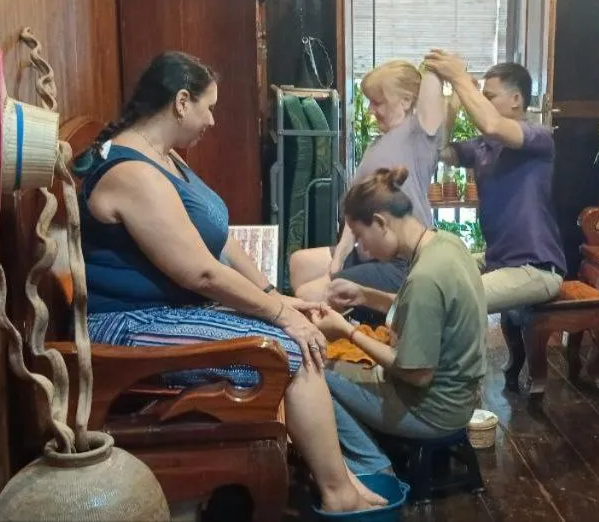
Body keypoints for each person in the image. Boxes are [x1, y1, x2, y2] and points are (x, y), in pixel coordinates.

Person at [72, 51, 383, 513]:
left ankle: (342, 481)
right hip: (128, 326)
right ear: (181, 102)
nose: (212, 120)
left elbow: (221, 241)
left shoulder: (165, 158)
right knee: (290, 348)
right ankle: (339, 493)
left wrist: (276, 296)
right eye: (208, 107)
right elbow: (198, 271)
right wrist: (279, 314)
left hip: (175, 311)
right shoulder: (132, 173)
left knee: (302, 329)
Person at [311, 166, 488, 476]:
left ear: (380, 223)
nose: (363, 249)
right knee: (331, 364)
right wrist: (364, 295)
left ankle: (373, 466)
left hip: (433, 412)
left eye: (362, 238)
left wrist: (347, 331)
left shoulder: (425, 277)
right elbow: (428, 310)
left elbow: (416, 373)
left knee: (311, 374)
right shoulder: (445, 244)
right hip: (460, 399)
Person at [288, 60, 448, 324]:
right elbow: (357, 210)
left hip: (399, 261)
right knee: (299, 262)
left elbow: (432, 82)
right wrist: (339, 255)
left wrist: (432, 63)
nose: (372, 111)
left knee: (308, 294)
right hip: (367, 246)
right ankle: (336, 331)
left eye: (379, 103)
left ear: (406, 101)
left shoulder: (420, 136)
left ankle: (321, 341)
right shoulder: (377, 145)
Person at [420, 51, 566, 313]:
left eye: (490, 97)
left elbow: (491, 123)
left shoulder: (539, 137)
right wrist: (452, 105)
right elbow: (437, 150)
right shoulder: (482, 146)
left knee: (452, 302)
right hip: (498, 262)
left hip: (536, 269)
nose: (483, 102)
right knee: (433, 272)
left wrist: (459, 77)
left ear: (516, 99)